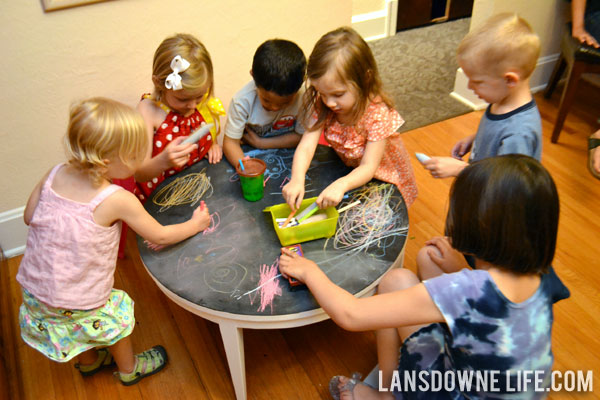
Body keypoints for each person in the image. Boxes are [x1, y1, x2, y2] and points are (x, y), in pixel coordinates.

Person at [280, 155, 570, 399]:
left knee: (393, 286)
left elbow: (351, 314)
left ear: (473, 226)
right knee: (396, 281)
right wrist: (462, 269)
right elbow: (496, 312)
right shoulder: (541, 272)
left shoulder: (467, 290)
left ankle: (387, 394)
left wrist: (310, 271)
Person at [17, 98, 211, 385]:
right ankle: (129, 368)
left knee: (73, 328)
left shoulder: (53, 173)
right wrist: (196, 224)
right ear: (108, 161)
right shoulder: (117, 199)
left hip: (35, 293)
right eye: (134, 155)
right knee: (115, 322)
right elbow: (158, 235)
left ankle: (90, 363)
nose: (138, 162)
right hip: (79, 300)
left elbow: (28, 216)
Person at [282, 27, 417, 210]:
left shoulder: (377, 114)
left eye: (338, 94)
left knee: (378, 224)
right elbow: (306, 147)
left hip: (382, 177)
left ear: (365, 79)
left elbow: (369, 167)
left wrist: (341, 184)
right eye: (322, 93)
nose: (329, 102)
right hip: (352, 172)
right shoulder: (324, 103)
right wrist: (297, 179)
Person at [421, 13, 542, 179]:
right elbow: (495, 132)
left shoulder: (519, 134)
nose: (470, 86)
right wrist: (477, 139)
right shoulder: (501, 101)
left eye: (477, 82)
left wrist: (460, 170)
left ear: (510, 80)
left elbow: (505, 183)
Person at [134, 33, 225, 202]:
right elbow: (139, 174)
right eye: (183, 99)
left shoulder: (199, 99)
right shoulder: (148, 111)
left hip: (197, 186)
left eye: (199, 97)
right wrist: (163, 161)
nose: (192, 106)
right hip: (161, 199)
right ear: (159, 83)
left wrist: (212, 144)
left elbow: (208, 125)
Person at [222, 39, 307, 168]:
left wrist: (261, 143)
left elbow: (302, 137)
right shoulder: (242, 102)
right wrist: (245, 167)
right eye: (266, 100)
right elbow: (230, 144)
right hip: (250, 154)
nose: (274, 107)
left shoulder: (304, 97)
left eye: (286, 102)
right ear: (253, 76)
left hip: (293, 158)